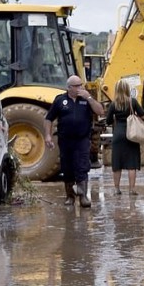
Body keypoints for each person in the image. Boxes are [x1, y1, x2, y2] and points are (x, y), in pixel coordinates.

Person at [44, 75, 105, 207]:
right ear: (69, 87)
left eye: (80, 85)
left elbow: (100, 111)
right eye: (76, 86)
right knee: (68, 167)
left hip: (82, 139)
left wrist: (89, 97)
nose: (79, 88)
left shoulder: (86, 100)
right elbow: (49, 118)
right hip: (65, 140)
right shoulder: (60, 100)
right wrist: (47, 136)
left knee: (82, 166)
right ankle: (70, 197)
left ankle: (83, 196)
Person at [105, 79, 144, 195]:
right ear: (127, 89)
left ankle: (116, 189)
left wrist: (115, 118)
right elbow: (143, 116)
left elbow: (108, 121)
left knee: (117, 163)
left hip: (118, 134)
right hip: (131, 134)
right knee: (131, 164)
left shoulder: (113, 104)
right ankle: (132, 189)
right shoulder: (132, 102)